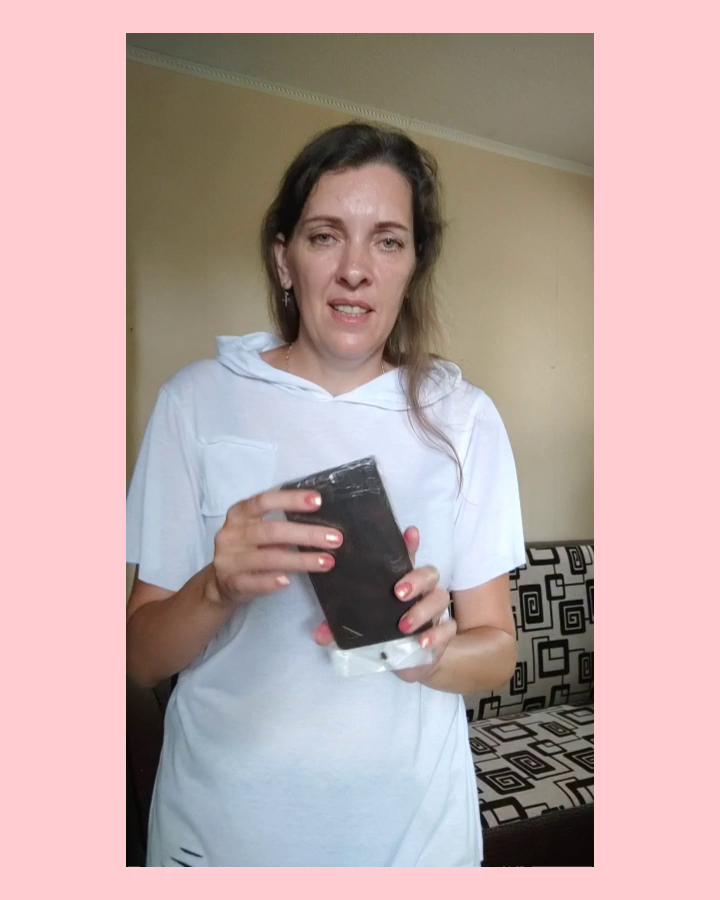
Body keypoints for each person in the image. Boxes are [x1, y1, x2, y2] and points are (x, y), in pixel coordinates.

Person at [126, 121, 525, 867]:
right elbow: (139, 658)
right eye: (324, 236)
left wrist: (430, 655)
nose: (355, 270)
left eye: (388, 241)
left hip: (416, 844)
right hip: (219, 837)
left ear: (413, 265)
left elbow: (497, 650)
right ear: (285, 259)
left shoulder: (464, 418)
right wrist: (217, 587)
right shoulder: (197, 401)